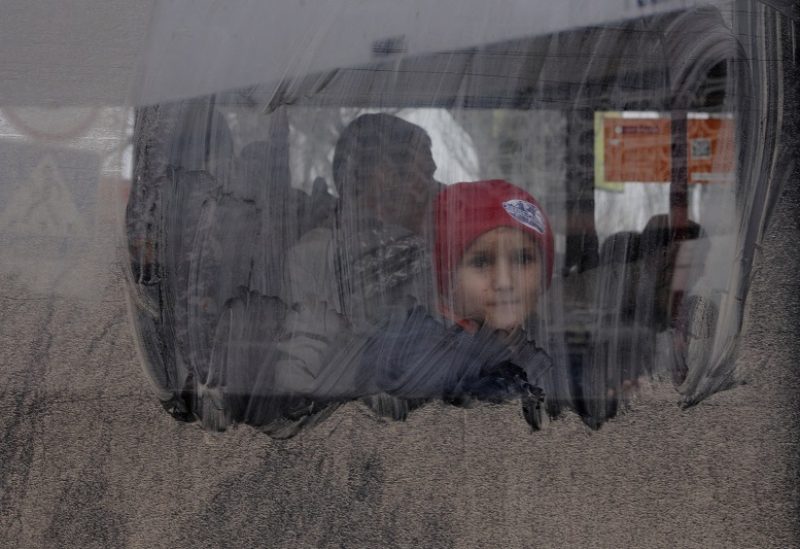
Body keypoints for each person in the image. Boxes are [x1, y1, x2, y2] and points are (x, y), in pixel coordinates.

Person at [240, 113, 442, 427]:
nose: (436, 189)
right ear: (384, 177)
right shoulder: (316, 258)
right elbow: (303, 380)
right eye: (426, 175)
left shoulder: (443, 255)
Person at [357, 179, 556, 429]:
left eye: (522, 259)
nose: (504, 282)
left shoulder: (532, 352)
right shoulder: (418, 362)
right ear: (448, 278)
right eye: (481, 262)